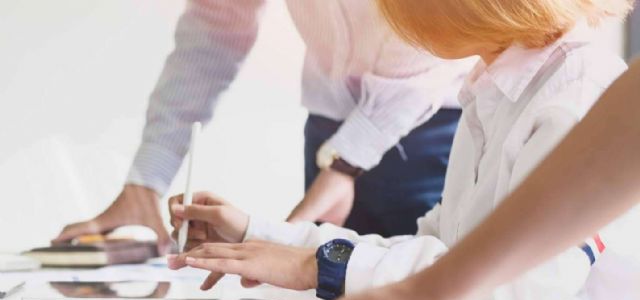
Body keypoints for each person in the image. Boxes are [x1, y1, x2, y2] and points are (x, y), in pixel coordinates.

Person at [168, 0, 638, 300]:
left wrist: (317, 266)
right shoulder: (491, 91)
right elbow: (437, 250)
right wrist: (260, 234)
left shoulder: (576, 94)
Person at [53, 0, 472, 251]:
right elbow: (215, 30)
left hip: (434, 126)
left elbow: (432, 43)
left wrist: (347, 163)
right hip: (330, 129)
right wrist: (146, 181)